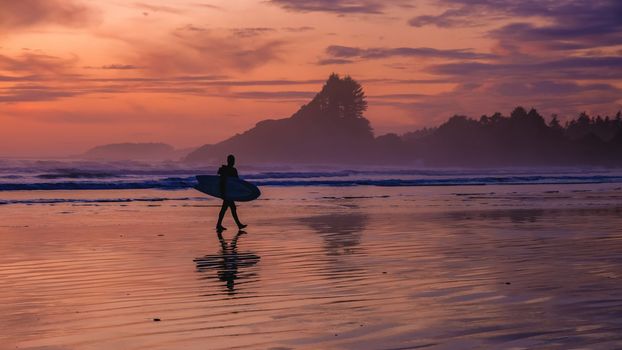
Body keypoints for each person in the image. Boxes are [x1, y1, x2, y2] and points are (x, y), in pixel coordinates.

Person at [216, 154, 247, 232]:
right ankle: (238, 225)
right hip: (227, 193)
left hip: (228, 192)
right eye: (232, 160)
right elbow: (222, 181)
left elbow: (235, 182)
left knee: (225, 209)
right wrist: (222, 193)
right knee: (231, 208)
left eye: (233, 160)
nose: (233, 162)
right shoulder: (230, 170)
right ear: (229, 161)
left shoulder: (228, 170)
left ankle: (219, 225)